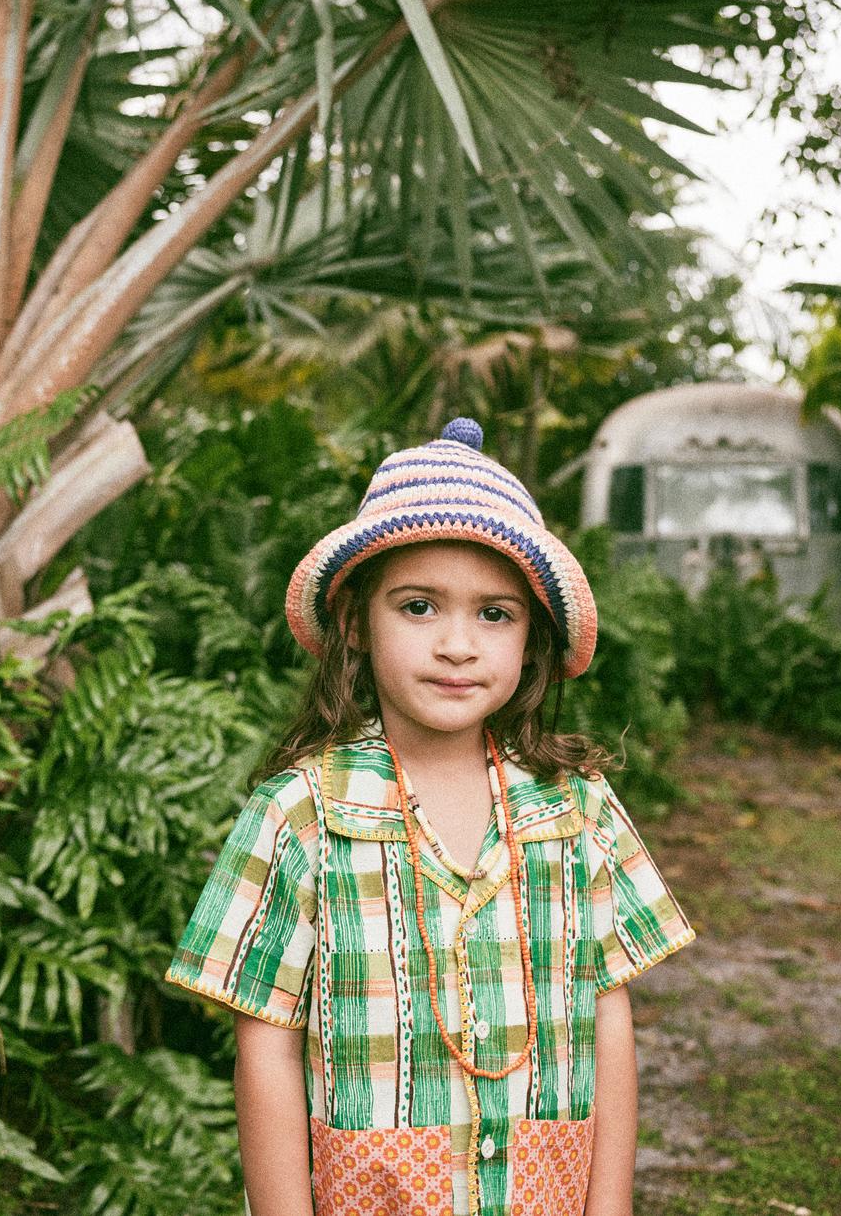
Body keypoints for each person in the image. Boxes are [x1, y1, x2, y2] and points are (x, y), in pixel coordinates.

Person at [164, 418, 697, 1216]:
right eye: (418, 607)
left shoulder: (576, 807)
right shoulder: (301, 814)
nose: (457, 645)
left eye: (495, 614)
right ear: (354, 621)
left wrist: (609, 1206)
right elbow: (265, 1043)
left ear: (532, 638)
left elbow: (606, 1015)